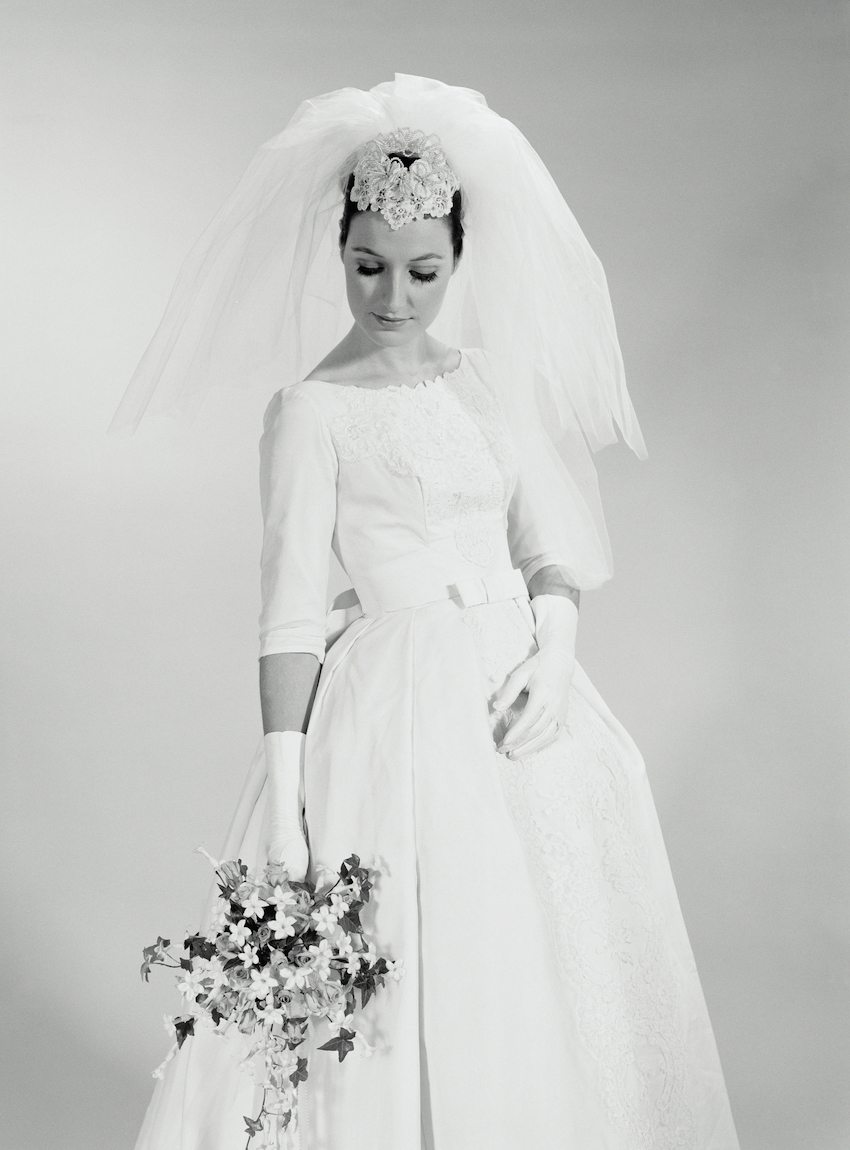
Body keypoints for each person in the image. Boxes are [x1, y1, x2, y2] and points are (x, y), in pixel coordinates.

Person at [118, 76, 740, 1150]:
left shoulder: (493, 384)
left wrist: (555, 648)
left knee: (540, 953)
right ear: (338, 253)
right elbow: (291, 615)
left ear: (457, 260)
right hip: (393, 707)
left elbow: (551, 548)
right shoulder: (309, 411)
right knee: (411, 951)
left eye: (422, 272)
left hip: (515, 695)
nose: (392, 298)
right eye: (367, 268)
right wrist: (286, 798)